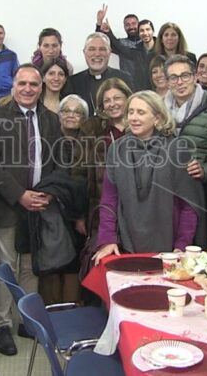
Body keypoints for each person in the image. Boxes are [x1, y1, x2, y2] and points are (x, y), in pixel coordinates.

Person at [0, 64, 62, 356]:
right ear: (13, 85)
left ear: (41, 88)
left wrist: (47, 194)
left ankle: (26, 320)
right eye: (22, 83)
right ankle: (3, 325)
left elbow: (57, 162)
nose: (28, 89)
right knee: (6, 267)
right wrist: (19, 195)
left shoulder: (52, 119)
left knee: (30, 267)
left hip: (40, 205)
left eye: (34, 84)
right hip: (8, 205)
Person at [92, 90, 203, 263]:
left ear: (157, 118)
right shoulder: (117, 149)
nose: (134, 118)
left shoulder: (176, 149)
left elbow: (188, 204)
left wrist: (182, 245)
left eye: (141, 112)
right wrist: (107, 239)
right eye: (131, 112)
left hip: (170, 249)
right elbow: (109, 200)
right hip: (126, 245)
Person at [165, 55, 207, 244]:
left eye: (185, 75)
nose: (180, 82)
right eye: (173, 77)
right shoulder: (159, 111)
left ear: (195, 76)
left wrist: (204, 167)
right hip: (168, 194)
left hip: (202, 193)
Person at [74, 78, 132, 276]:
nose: (113, 103)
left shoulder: (140, 125)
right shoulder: (91, 129)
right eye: (107, 100)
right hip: (100, 211)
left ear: (128, 99)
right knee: (104, 265)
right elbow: (78, 173)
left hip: (136, 212)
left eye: (118, 98)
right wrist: (80, 215)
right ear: (101, 105)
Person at [38, 94, 90, 305]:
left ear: (85, 117)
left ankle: (73, 311)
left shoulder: (90, 143)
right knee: (51, 264)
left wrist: (81, 215)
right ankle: (52, 313)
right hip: (51, 211)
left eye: (77, 112)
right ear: (59, 115)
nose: (71, 115)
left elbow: (87, 182)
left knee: (73, 264)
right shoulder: (46, 140)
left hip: (79, 212)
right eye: (66, 111)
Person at [61, 32, 134, 115]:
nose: (97, 54)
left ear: (109, 52)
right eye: (92, 49)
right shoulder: (73, 82)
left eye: (102, 49)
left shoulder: (124, 78)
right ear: (84, 52)